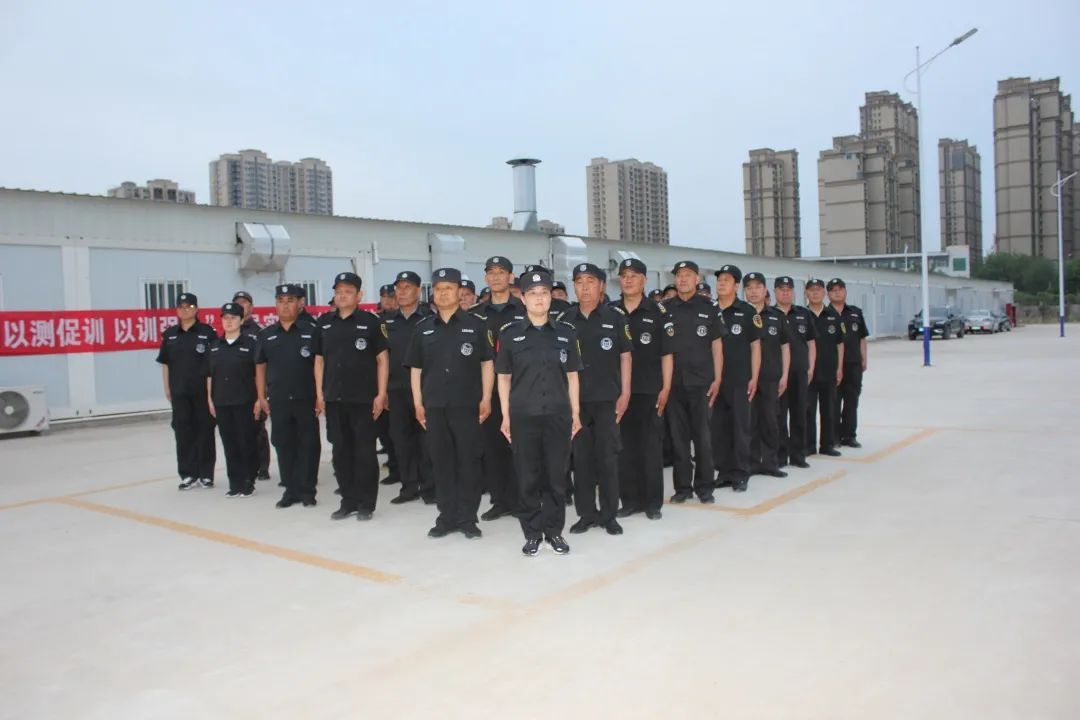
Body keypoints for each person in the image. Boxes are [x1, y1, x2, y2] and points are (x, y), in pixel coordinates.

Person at [496, 269, 582, 556]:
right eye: (532, 293)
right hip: (524, 416)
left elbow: (573, 376)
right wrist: (506, 416)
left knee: (556, 477)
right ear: (522, 298)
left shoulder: (566, 333)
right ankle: (532, 533)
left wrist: (576, 413)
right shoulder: (510, 335)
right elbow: (503, 378)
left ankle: (554, 532)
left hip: (558, 415)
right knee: (527, 478)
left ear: (550, 297)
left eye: (544, 293)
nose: (539, 298)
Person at [407, 268, 494, 539]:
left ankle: (468, 518)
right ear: (433, 293)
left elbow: (487, 363)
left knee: (468, 462)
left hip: (467, 406)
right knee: (441, 462)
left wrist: (486, 398)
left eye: (449, 288)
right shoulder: (423, 329)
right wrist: (418, 402)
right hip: (434, 406)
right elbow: (416, 369)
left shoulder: (476, 325)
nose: (443, 293)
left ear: (459, 292)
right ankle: (446, 517)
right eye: (439, 289)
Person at [559, 263, 632, 536]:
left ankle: (609, 514)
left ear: (601, 286)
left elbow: (625, 356)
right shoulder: (565, 320)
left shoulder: (615, 317)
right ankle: (586, 514)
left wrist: (625, 392)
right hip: (576, 403)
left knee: (608, 458)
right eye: (579, 282)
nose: (585, 287)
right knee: (582, 461)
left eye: (590, 281)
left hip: (606, 400)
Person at [314, 272, 389, 521]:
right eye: (339, 292)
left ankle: (366, 503)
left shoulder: (370, 322)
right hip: (334, 398)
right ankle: (348, 501)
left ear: (359, 295)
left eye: (348, 291)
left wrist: (381, 393)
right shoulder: (324, 323)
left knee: (364, 452)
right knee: (340, 452)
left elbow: (382, 360)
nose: (342, 296)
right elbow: (319, 361)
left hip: (364, 399)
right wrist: (319, 393)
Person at [612, 258, 674, 520]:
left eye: (634, 275)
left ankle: (652, 503)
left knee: (650, 447)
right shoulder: (611, 311)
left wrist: (666, 387)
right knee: (624, 448)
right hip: (618, 393)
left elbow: (667, 354)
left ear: (644, 280)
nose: (628, 280)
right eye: (624, 275)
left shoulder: (658, 312)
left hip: (650, 389)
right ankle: (630, 500)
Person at [662, 261, 725, 504]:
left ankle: (705, 487)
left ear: (697, 279)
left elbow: (717, 346)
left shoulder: (709, 307)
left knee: (703, 438)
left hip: (702, 383)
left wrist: (718, 378)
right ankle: (683, 488)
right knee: (678, 439)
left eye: (688, 275)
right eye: (679, 275)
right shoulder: (665, 309)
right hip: (675, 384)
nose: (683, 279)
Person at [255, 284, 322, 508]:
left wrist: (320, 394)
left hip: (306, 398)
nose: (285, 306)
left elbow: (320, 364)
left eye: (290, 301)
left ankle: (307, 491)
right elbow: (260, 366)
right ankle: (290, 491)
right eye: (281, 301)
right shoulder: (266, 334)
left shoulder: (312, 331)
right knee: (283, 444)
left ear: (299, 304)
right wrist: (261, 396)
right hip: (279, 399)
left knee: (308, 444)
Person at [472, 256, 526, 522]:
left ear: (511, 277)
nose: (495, 277)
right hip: (488, 393)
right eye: (491, 272)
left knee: (521, 447)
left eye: (501, 272)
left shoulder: (523, 309)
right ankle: (500, 500)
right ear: (486, 278)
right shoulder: (475, 315)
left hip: (520, 389)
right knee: (493, 448)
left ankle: (522, 500)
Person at [157, 292, 217, 490]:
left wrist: (212, 392)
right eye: (181, 307)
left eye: (189, 306)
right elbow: (165, 363)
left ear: (196, 309)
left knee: (205, 431)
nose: (185, 310)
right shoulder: (170, 334)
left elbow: (214, 364)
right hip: (179, 392)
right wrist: (167, 387)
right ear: (176, 310)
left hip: (202, 392)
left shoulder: (207, 333)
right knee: (183, 432)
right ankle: (188, 474)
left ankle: (206, 474)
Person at [384, 270, 434, 504]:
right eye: (399, 288)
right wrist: (382, 390)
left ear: (418, 291)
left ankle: (430, 487)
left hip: (425, 390)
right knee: (401, 440)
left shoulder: (429, 319)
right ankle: (409, 486)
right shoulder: (387, 322)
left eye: (407, 287)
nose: (402, 292)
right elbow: (382, 359)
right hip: (396, 389)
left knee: (427, 441)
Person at [712, 265, 761, 493]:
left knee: (740, 427)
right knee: (719, 428)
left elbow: (756, 347)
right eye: (719, 280)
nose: (722, 284)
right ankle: (723, 472)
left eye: (727, 280)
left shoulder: (747, 312)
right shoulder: (709, 310)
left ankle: (741, 472)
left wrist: (754, 377)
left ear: (736, 285)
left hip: (740, 379)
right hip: (714, 381)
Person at [207, 302, 259, 498]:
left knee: (246, 441)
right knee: (229, 443)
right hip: (222, 401)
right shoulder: (214, 346)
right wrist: (210, 399)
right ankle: (235, 482)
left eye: (233, 318)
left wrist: (259, 399)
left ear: (241, 320)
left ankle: (248, 480)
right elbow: (209, 375)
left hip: (244, 401)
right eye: (225, 318)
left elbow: (258, 374)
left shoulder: (250, 345)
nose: (228, 322)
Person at [743, 272, 790, 478]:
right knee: (750, 421)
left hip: (771, 377)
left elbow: (785, 347)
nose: (753, 291)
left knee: (770, 421)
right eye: (749, 288)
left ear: (765, 290)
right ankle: (752, 463)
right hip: (746, 379)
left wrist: (785, 375)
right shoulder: (741, 314)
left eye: (757, 287)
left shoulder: (776, 316)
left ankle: (771, 462)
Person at [774, 276, 816, 469]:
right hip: (778, 374)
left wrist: (811, 367)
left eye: (788, 289)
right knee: (779, 416)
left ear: (794, 292)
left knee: (800, 413)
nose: (785, 293)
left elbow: (811, 343)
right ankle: (781, 456)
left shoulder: (803, 314)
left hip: (800, 372)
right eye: (781, 289)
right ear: (774, 292)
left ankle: (798, 455)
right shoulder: (769, 314)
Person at [232, 290, 271, 482]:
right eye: (237, 302)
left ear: (251, 307)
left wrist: (263, 393)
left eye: (244, 302)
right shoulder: (230, 331)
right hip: (236, 388)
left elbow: (265, 363)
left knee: (257, 429)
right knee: (239, 430)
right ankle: (245, 465)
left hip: (255, 387)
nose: (241, 305)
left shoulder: (259, 332)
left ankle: (262, 467)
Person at [828, 278, 870, 448]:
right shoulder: (824, 314)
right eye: (833, 290)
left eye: (840, 289)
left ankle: (849, 435)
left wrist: (864, 358)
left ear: (845, 292)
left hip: (853, 364)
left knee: (852, 401)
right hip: (832, 365)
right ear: (828, 294)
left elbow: (862, 337)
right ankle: (834, 436)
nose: (837, 292)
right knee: (834, 402)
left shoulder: (855, 313)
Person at [805, 278, 844, 457]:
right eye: (811, 290)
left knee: (829, 409)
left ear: (824, 293)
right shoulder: (802, 315)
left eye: (818, 290)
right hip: (808, 372)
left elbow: (840, 344)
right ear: (806, 293)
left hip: (829, 370)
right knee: (808, 410)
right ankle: (809, 446)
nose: (815, 293)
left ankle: (827, 445)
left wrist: (840, 368)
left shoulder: (833, 315)